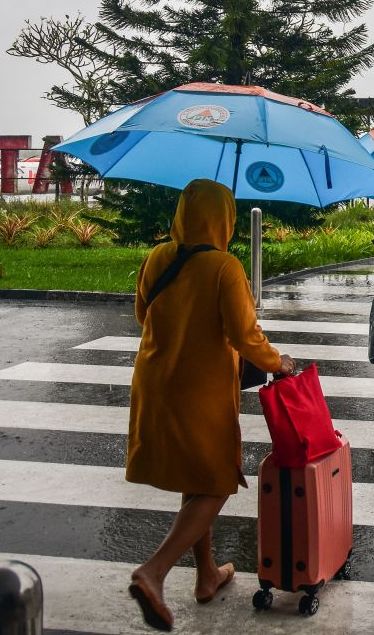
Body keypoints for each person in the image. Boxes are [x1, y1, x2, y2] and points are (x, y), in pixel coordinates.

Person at [126, 179, 295, 631]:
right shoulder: (224, 266)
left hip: (155, 380)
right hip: (199, 389)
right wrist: (279, 361)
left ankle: (206, 575)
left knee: (194, 476)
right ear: (225, 219)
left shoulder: (160, 255)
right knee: (218, 480)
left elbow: (143, 313)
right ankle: (154, 571)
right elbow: (244, 336)